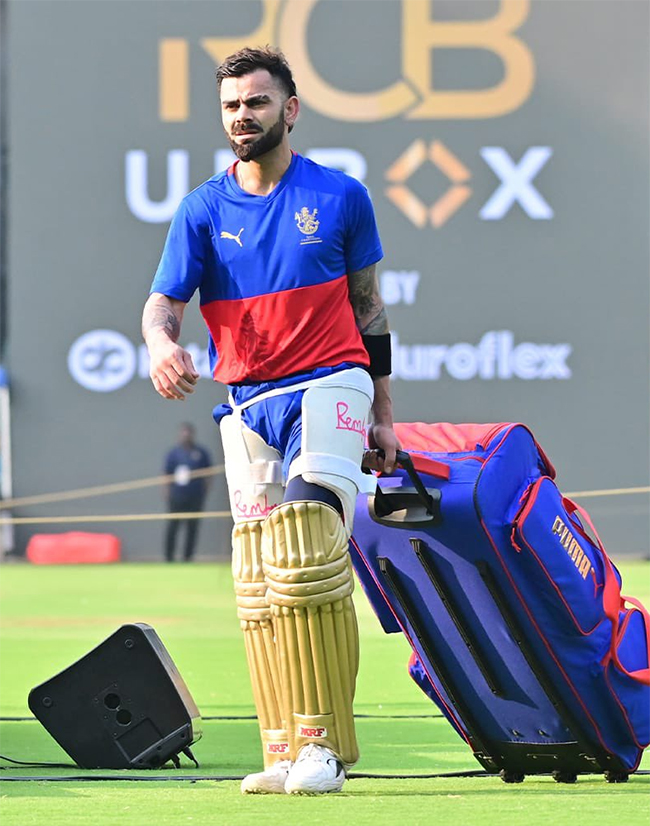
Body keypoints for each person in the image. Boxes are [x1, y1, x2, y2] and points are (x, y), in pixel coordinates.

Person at [142, 46, 399, 795]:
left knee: (308, 548)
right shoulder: (202, 207)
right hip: (248, 401)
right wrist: (160, 342)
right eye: (230, 106)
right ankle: (284, 744)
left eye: (256, 102)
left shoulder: (342, 196)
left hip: (331, 382)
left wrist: (384, 414)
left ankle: (325, 747)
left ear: (290, 110)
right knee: (258, 580)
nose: (242, 117)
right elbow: (164, 303)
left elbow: (370, 309)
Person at [163, 422, 212, 562]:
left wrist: (204, 491)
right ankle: (169, 557)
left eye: (188, 433)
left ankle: (188, 557)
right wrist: (167, 492)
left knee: (192, 528)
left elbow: (208, 473)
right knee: (173, 527)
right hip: (177, 496)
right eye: (183, 433)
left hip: (195, 496)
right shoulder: (174, 453)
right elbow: (166, 473)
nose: (186, 436)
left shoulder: (201, 453)